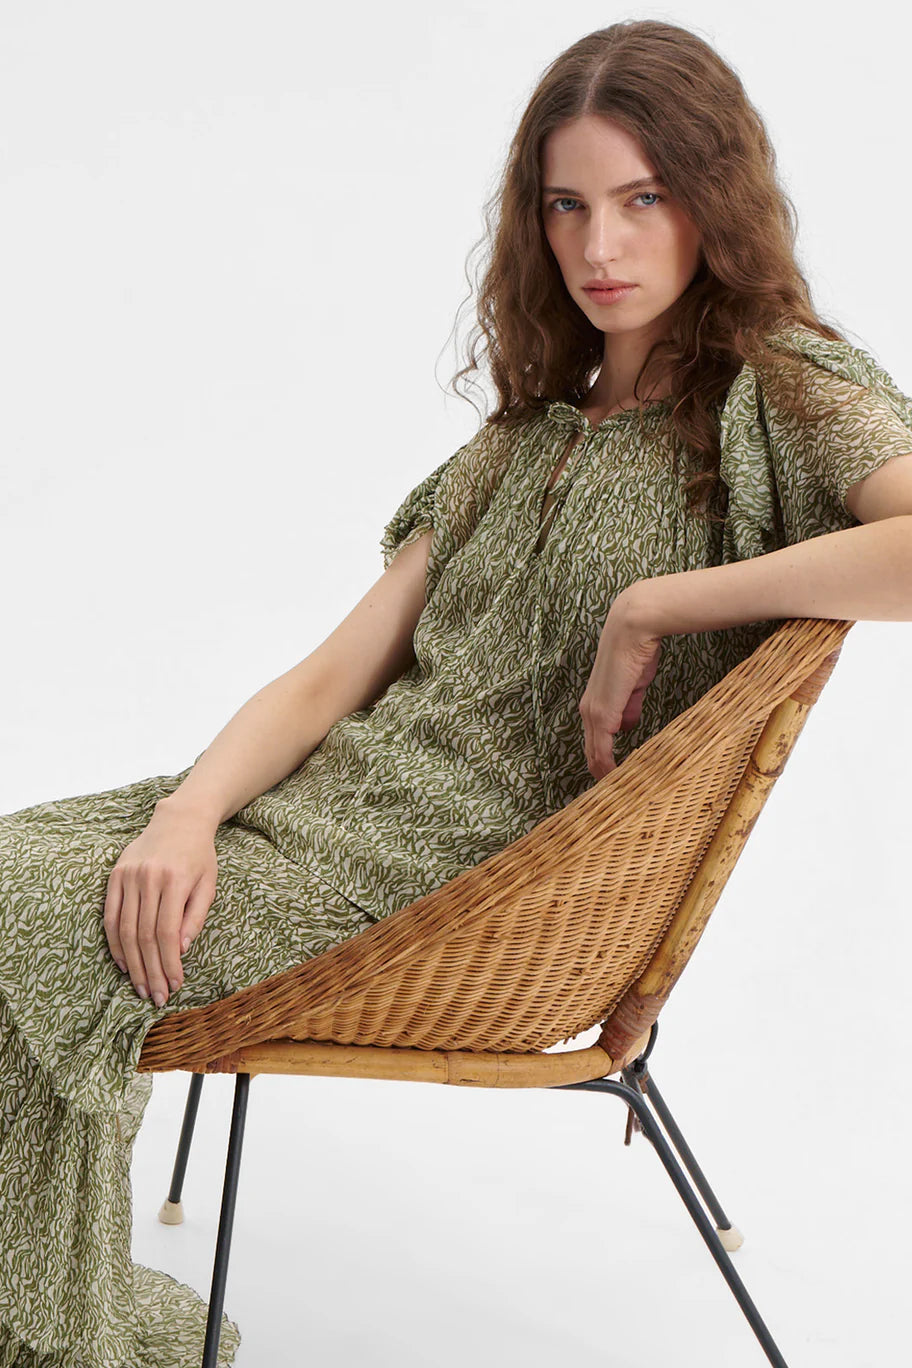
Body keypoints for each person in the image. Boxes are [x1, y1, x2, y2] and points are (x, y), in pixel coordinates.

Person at [3, 16, 912, 1366]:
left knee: (30, 912)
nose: (600, 248)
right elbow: (326, 680)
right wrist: (191, 812)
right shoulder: (519, 440)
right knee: (29, 863)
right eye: (568, 208)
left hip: (456, 885)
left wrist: (658, 601)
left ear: (709, 199)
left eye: (641, 200)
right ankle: (48, 1298)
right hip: (331, 810)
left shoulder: (777, 390)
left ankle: (47, 1325)